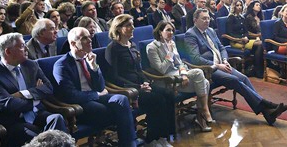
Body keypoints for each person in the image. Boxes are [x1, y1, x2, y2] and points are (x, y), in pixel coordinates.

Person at [184, 8, 287, 125]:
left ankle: (267, 112)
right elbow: (195, 58)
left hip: (222, 64)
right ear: (195, 20)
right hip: (208, 69)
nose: (207, 21)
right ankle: (267, 106)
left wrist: (224, 60)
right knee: (235, 80)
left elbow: (222, 48)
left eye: (208, 18)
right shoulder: (191, 34)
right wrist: (217, 65)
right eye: (204, 18)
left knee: (243, 78)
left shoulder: (211, 31)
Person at [53, 27, 137, 147]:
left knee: (121, 100)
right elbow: (70, 95)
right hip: (80, 102)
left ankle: (128, 144)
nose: (90, 40)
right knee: (112, 111)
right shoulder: (62, 65)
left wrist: (94, 67)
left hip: (95, 97)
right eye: (84, 38)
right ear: (73, 43)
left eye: (90, 37)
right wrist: (96, 94)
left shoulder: (90, 57)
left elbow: (101, 86)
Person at [0, 33, 67, 147]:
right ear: (8, 52)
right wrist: (36, 95)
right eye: (21, 46)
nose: (26, 48)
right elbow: (8, 105)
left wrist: (23, 94)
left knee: (56, 118)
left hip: (36, 114)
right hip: (13, 122)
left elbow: (48, 88)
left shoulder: (30, 65)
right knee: (49, 137)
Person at [105, 14, 175, 145]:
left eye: (132, 25)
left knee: (168, 94)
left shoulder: (132, 45)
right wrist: (137, 87)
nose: (133, 28)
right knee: (157, 100)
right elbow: (113, 77)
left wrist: (146, 82)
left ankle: (165, 135)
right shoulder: (112, 48)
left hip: (141, 84)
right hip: (127, 89)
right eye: (128, 25)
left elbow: (139, 70)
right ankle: (153, 139)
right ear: (119, 28)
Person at [147, 20, 213, 132]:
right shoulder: (152, 47)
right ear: (160, 32)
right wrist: (170, 53)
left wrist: (183, 74)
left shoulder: (171, 43)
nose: (171, 32)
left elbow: (180, 63)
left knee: (205, 83)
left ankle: (200, 118)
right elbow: (162, 69)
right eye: (168, 30)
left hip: (180, 76)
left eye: (172, 30)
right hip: (168, 81)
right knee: (198, 74)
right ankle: (204, 112)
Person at [227, 0, 264, 78]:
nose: (239, 7)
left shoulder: (242, 17)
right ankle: (258, 69)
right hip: (235, 41)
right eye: (237, 5)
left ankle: (256, 68)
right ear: (234, 7)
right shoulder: (231, 18)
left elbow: (246, 31)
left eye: (240, 5)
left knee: (260, 45)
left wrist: (246, 37)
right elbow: (230, 33)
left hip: (245, 40)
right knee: (260, 44)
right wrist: (241, 39)